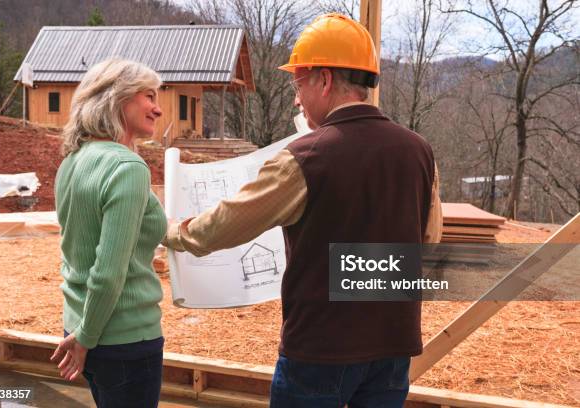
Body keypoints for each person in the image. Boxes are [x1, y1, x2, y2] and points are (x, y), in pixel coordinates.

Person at [163, 13, 443, 408]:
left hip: (320, 352)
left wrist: (174, 231)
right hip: (394, 348)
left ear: (324, 80)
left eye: (298, 83)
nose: (295, 98)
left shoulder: (305, 156)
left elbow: (226, 225)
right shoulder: (420, 150)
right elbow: (429, 238)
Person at [50, 58, 167, 408]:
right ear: (118, 98)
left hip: (79, 325)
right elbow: (108, 272)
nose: (158, 109)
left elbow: (76, 251)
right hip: (122, 340)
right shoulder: (127, 167)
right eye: (149, 96)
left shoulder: (72, 160)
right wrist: (86, 339)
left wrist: (82, 334)